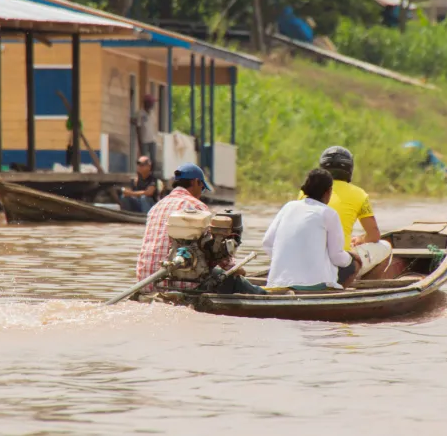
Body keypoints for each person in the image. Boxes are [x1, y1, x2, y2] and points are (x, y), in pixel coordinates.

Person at [135, 163, 260, 294]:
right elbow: (215, 252)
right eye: (202, 188)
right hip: (179, 284)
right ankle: (263, 295)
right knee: (236, 282)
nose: (201, 193)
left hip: (146, 282)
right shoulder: (196, 206)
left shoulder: (155, 207)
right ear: (196, 182)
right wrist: (236, 269)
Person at [264, 169, 362, 290]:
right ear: (328, 192)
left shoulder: (288, 207)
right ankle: (334, 297)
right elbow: (336, 257)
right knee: (355, 264)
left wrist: (286, 261)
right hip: (314, 285)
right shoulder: (328, 213)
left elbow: (267, 243)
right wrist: (353, 257)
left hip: (277, 283)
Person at [301, 146, 381, 250]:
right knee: (384, 246)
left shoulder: (305, 191)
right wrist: (360, 239)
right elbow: (374, 235)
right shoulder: (359, 194)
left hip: (309, 252)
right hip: (340, 257)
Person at [133, 95, 158, 165]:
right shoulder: (140, 114)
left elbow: (154, 125)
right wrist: (139, 140)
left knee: (153, 159)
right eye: (151, 103)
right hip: (144, 139)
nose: (152, 105)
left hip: (152, 139)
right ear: (147, 103)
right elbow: (138, 127)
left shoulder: (153, 113)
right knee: (144, 158)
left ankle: (152, 173)